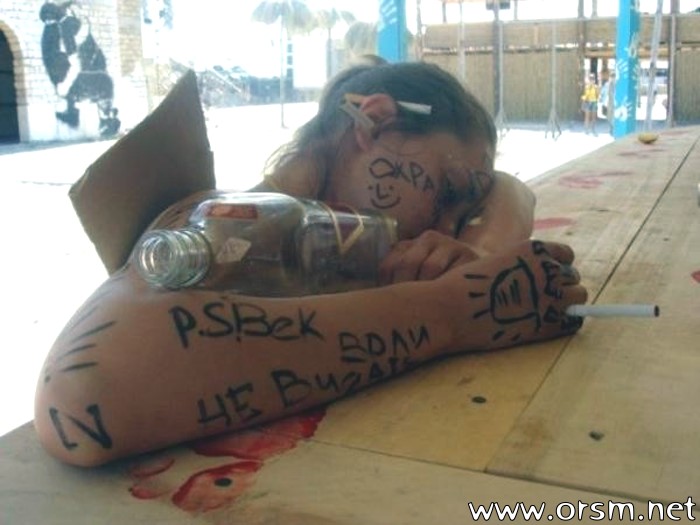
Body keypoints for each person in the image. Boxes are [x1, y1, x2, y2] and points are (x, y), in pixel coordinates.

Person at [34, 62, 587, 467]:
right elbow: (81, 402)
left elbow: (512, 192)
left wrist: (482, 255)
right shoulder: (214, 225)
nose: (445, 230)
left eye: (463, 214)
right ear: (374, 122)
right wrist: (455, 311)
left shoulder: (373, 245)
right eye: (447, 193)